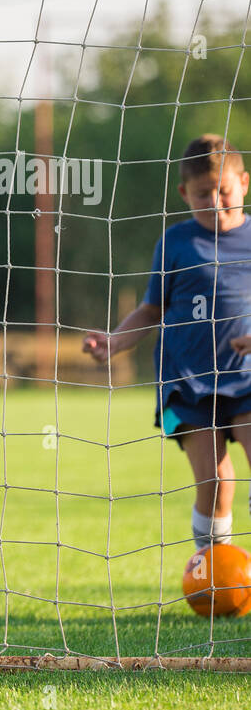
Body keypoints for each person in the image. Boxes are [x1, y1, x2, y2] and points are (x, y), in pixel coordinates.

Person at [84, 134, 251, 551]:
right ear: (183, 193)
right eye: (201, 195)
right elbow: (150, 310)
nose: (214, 202)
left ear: (244, 183)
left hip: (247, 378)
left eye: (224, 191)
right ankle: (211, 569)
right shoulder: (175, 243)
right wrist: (115, 341)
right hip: (186, 384)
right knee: (216, 483)